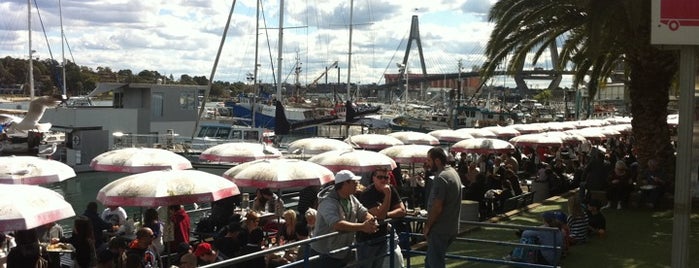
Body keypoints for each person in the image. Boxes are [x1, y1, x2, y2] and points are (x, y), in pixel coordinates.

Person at [311, 170, 378, 267]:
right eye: (354, 182)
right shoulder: (328, 202)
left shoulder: (351, 198)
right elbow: (337, 224)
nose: (357, 184)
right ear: (345, 183)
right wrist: (362, 227)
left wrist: (371, 221)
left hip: (342, 251)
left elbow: (363, 212)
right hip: (324, 254)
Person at [357, 167, 406, 268]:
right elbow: (380, 215)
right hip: (367, 240)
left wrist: (387, 214)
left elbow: (402, 210)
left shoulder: (391, 188)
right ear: (374, 178)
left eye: (386, 177)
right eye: (380, 177)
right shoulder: (367, 194)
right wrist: (387, 196)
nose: (383, 180)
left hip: (382, 237)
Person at [423, 147, 462, 268]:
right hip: (451, 227)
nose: (427, 163)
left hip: (440, 229)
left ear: (438, 161)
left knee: (435, 263)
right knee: (430, 262)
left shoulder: (441, 177)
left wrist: (428, 226)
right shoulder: (453, 173)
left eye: (429, 160)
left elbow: (437, 206)